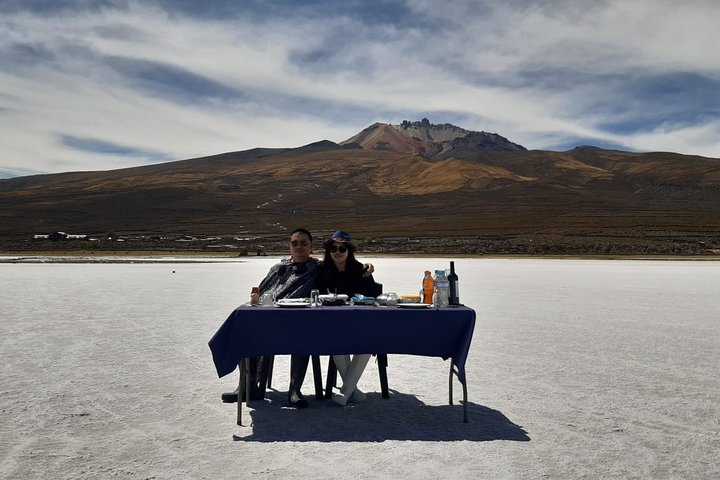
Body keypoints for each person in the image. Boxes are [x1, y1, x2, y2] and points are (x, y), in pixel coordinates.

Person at [221, 228, 374, 408]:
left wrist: (366, 266)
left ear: (311, 246)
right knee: (245, 329)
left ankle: (295, 390)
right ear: (290, 246)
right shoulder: (278, 268)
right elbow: (260, 291)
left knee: (302, 333)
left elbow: (345, 267)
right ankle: (247, 385)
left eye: (304, 243)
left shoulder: (316, 267)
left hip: (298, 322)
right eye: (295, 243)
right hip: (269, 319)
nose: (299, 247)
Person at [314, 230, 381, 407]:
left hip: (359, 323)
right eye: (333, 248)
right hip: (332, 324)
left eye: (342, 248)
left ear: (349, 251)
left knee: (367, 344)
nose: (337, 251)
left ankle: (345, 392)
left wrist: (367, 274)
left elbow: (372, 295)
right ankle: (353, 391)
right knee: (335, 342)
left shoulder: (361, 270)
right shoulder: (322, 270)